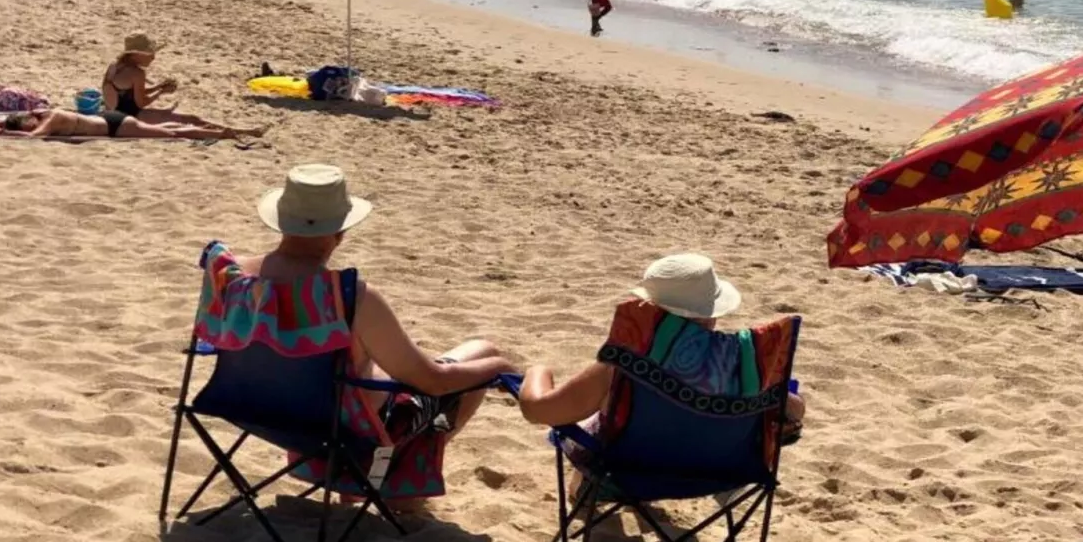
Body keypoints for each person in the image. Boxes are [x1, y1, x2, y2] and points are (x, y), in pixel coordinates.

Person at [218, 165, 516, 486]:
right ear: (341, 231)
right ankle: (391, 473)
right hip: (341, 429)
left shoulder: (233, 276)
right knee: (481, 354)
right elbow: (433, 382)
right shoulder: (350, 297)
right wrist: (498, 368)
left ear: (282, 222)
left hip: (255, 410)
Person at [517, 253, 805, 438]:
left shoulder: (625, 363)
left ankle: (584, 491)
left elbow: (539, 411)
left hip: (630, 469)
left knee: (603, 414)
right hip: (715, 474)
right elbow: (795, 411)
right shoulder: (743, 365)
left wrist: (537, 372)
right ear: (712, 313)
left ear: (651, 309)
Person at [0, 108, 260, 140]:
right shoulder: (43, 111)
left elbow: (32, 137)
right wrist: (0, 124)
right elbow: (5, 118)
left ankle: (223, 134)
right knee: (169, 126)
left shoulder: (52, 118)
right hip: (109, 118)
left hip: (115, 127)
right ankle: (234, 130)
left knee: (172, 132)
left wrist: (0, 133)